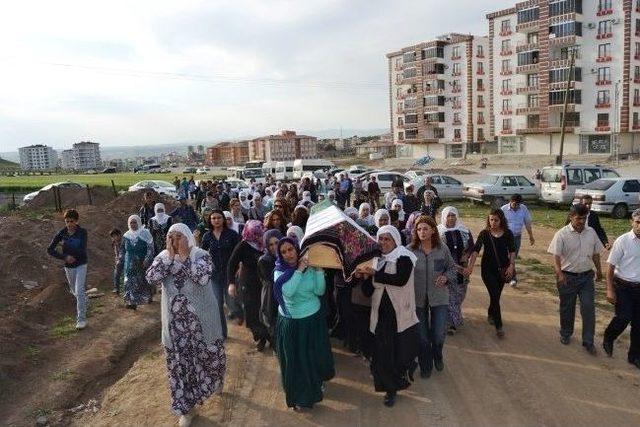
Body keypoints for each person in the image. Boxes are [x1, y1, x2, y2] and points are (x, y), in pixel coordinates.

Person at [145, 223, 225, 426]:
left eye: (178, 236)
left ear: (188, 238)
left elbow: (202, 278)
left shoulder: (201, 256)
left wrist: (182, 258)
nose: (174, 241)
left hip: (202, 324)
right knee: (180, 366)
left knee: (209, 357)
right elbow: (152, 278)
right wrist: (171, 258)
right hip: (175, 326)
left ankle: (215, 380)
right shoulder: (163, 257)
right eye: (170, 237)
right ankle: (186, 409)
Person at [356, 225, 419, 407]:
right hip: (381, 315)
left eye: (387, 239)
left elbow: (400, 280)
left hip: (400, 312)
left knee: (401, 352)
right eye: (380, 239)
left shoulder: (404, 257)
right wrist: (365, 278)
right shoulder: (376, 260)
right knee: (384, 354)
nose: (383, 243)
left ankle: (406, 369)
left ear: (395, 240)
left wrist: (375, 274)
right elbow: (368, 292)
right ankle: (390, 390)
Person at [273, 237, 335, 410]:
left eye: (290, 249)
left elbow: (319, 290)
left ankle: (316, 385)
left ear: (297, 249)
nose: (288, 254)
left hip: (312, 319)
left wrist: (318, 270)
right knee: (295, 361)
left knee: (313, 356)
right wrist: (299, 270)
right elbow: (289, 292)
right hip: (292, 322)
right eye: (283, 251)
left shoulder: (310, 267)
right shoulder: (279, 271)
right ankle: (299, 397)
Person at [547, 204, 603, 355]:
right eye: (579, 218)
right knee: (567, 307)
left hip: (586, 277)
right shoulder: (562, 234)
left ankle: (588, 341)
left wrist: (599, 270)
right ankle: (566, 333)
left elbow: (596, 253)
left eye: (584, 218)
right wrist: (559, 273)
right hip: (567, 277)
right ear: (571, 217)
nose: (582, 221)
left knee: (588, 308)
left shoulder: (591, 232)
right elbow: (556, 256)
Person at [408, 216, 456, 378]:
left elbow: (452, 268)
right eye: (419, 229)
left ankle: (438, 354)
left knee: (438, 334)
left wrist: (446, 277)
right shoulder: (409, 250)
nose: (421, 232)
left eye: (425, 229)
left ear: (433, 230)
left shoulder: (442, 249)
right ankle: (425, 365)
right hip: (417, 299)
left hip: (439, 297)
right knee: (422, 337)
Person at [465, 209, 516, 338]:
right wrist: (471, 266)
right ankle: (499, 326)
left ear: (501, 220)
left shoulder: (508, 233)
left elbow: (512, 250)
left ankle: (490, 312)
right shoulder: (484, 233)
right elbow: (476, 250)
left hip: (503, 269)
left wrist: (511, 266)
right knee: (494, 294)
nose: (493, 222)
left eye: (496, 220)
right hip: (487, 270)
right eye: (491, 219)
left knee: (496, 295)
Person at [603, 209, 640, 369]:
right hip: (623, 286)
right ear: (631, 222)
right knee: (624, 317)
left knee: (639, 324)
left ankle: (634, 356)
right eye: (638, 222)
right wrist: (610, 290)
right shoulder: (623, 241)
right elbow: (610, 267)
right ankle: (609, 337)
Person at [228, 220, 270, 350]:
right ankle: (261, 337)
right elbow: (232, 264)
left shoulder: (267, 243)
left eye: (259, 234)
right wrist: (231, 283)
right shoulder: (243, 245)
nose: (257, 237)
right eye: (255, 234)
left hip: (266, 284)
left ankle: (271, 336)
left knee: (266, 310)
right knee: (251, 311)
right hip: (248, 283)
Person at [201, 209, 241, 339]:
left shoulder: (232, 234)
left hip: (230, 275)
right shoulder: (207, 237)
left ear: (223, 219)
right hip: (215, 276)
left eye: (219, 218)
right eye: (213, 218)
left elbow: (240, 251)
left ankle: (242, 315)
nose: (216, 220)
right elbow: (202, 254)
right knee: (217, 305)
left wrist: (240, 266)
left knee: (233, 304)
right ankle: (222, 333)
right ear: (210, 221)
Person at [47, 209, 89, 329]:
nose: (69, 224)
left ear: (76, 221)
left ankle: (81, 319)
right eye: (67, 221)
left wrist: (73, 256)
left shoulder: (82, 232)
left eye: (72, 221)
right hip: (68, 266)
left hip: (81, 264)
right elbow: (49, 249)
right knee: (75, 292)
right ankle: (85, 301)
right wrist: (64, 257)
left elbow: (82, 248)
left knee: (79, 289)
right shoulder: (61, 233)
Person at [438, 206, 474, 334]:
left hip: (462, 270)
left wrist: (467, 255)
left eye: (453, 215)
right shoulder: (439, 232)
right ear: (444, 217)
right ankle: (451, 324)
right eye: (448, 216)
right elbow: (438, 252)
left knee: (460, 295)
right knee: (450, 296)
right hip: (446, 269)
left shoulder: (464, 230)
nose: (451, 218)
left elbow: (471, 247)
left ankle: (455, 314)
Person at [501, 194, 535, 287]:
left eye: (518, 205)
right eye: (514, 204)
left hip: (517, 237)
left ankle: (507, 273)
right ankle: (513, 277)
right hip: (505, 237)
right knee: (510, 257)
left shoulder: (523, 209)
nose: (516, 207)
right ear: (510, 202)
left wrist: (531, 236)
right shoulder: (503, 209)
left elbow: (527, 222)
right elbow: (496, 223)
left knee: (513, 256)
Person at [258, 229, 283, 350]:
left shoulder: (288, 255)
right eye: (270, 245)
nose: (274, 247)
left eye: (277, 243)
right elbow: (272, 279)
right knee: (274, 327)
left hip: (286, 298)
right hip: (271, 298)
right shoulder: (264, 260)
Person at [122, 215, 155, 309]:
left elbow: (150, 248)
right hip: (129, 262)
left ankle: (148, 296)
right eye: (131, 222)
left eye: (134, 222)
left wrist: (147, 259)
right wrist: (120, 259)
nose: (133, 224)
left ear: (139, 222)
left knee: (143, 280)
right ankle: (132, 301)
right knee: (128, 280)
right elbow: (122, 249)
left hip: (142, 261)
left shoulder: (145, 233)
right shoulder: (126, 235)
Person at [110, 228, 124, 294]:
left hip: (126, 259)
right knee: (116, 273)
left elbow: (122, 252)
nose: (113, 238)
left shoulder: (124, 241)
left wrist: (119, 259)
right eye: (112, 237)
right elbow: (116, 253)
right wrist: (117, 259)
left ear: (119, 235)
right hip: (119, 261)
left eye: (114, 236)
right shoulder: (114, 243)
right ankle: (116, 288)